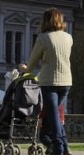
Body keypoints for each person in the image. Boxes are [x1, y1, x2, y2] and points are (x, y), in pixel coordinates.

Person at [20, 9, 73, 155]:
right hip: (66, 81)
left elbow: (33, 61)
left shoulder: (43, 38)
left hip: (49, 82)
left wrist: (25, 71)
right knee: (54, 115)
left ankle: (58, 147)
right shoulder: (69, 38)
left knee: (53, 115)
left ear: (45, 21)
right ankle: (63, 145)